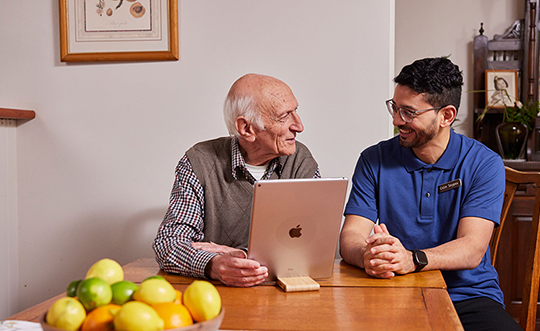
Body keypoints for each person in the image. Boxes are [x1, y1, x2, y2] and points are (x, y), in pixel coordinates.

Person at [339, 57, 521, 331]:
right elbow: (350, 237)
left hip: (468, 297)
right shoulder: (373, 159)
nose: (396, 120)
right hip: (393, 291)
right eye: (395, 108)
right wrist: (367, 254)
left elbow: (471, 249)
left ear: (446, 115)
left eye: (409, 113)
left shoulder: (484, 163)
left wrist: (412, 259)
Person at [153, 73, 320, 288]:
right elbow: (169, 243)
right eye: (284, 116)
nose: (299, 126)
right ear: (246, 128)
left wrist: (240, 254)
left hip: (284, 289)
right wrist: (213, 265)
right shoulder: (199, 161)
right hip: (218, 293)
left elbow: (313, 244)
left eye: (296, 111)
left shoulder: (300, 160)